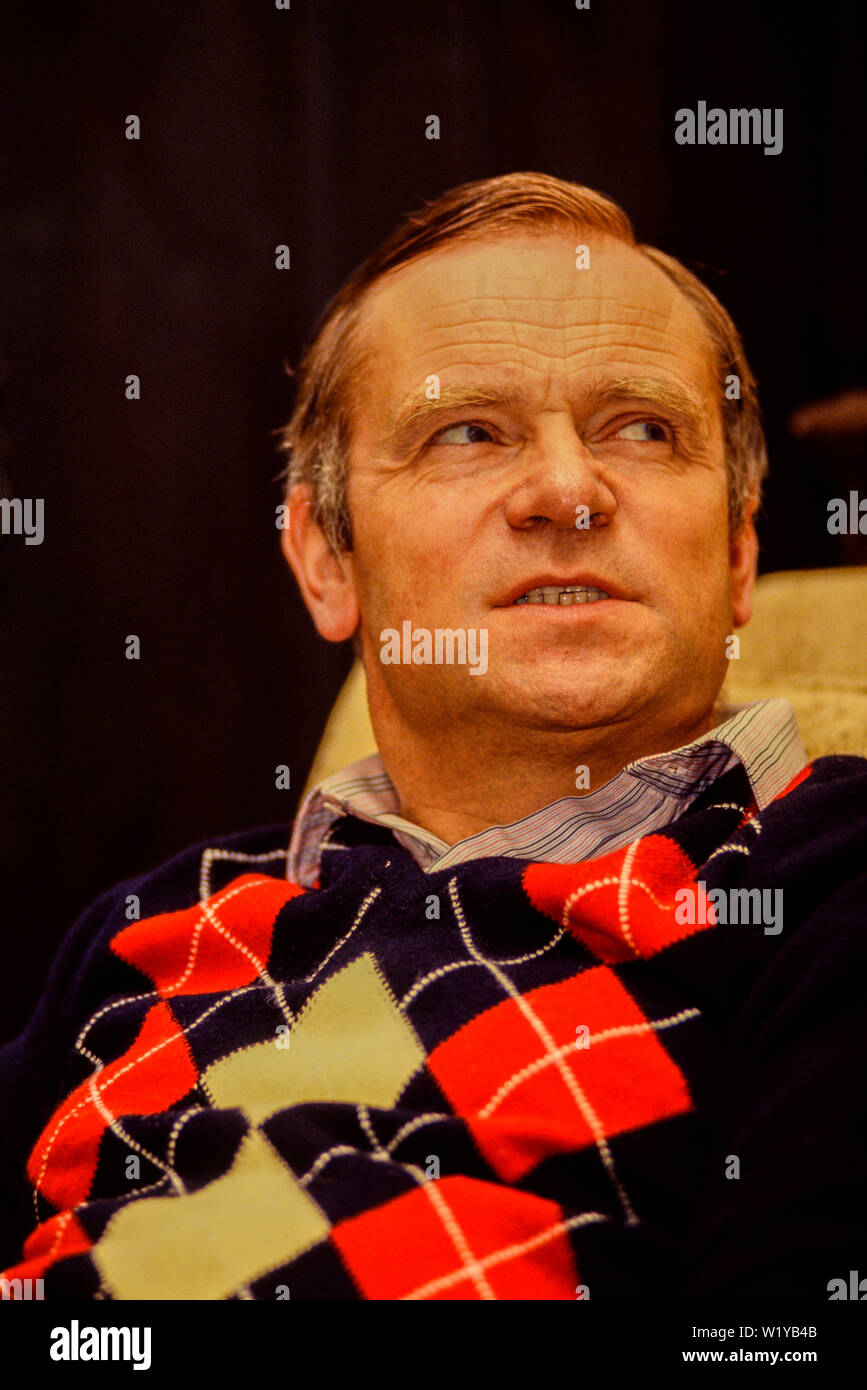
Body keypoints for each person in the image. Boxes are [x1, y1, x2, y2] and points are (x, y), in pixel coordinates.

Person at [1, 173, 864, 1301]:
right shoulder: (151, 926)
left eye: (643, 428)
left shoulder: (821, 880)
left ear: (740, 551)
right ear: (327, 559)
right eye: (467, 430)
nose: (569, 490)